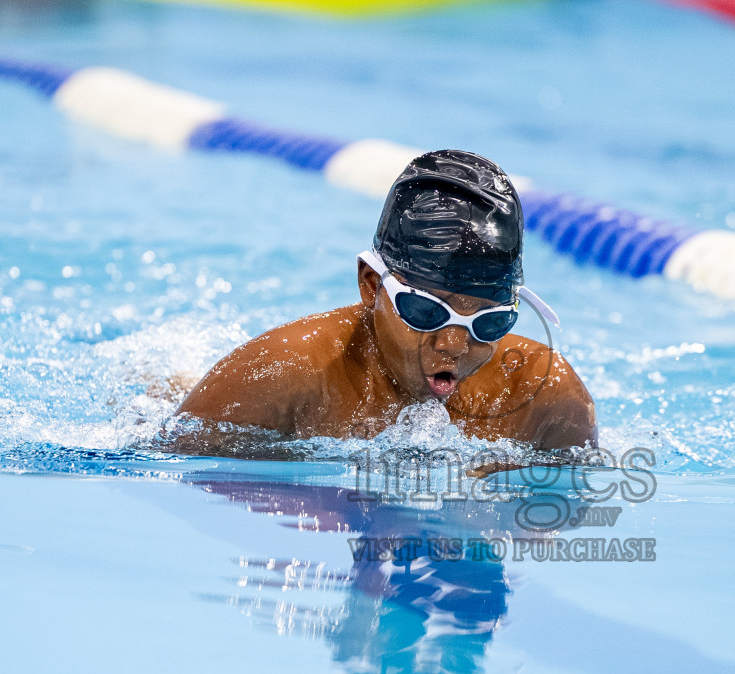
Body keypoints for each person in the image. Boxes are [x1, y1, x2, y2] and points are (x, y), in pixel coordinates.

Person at [173, 149, 596, 451]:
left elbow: (561, 521)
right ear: (371, 284)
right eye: (427, 311)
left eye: (489, 323)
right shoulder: (282, 376)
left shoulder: (546, 400)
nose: (453, 343)